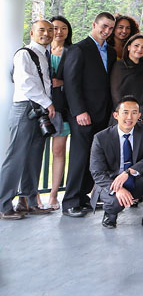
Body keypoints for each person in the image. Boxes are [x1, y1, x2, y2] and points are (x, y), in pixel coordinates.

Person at [62, 11, 116, 217]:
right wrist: (79, 111)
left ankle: (83, 197)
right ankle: (69, 201)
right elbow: (71, 83)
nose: (107, 31)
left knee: (93, 158)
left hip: (102, 114)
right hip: (83, 114)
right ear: (94, 24)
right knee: (79, 156)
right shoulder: (78, 49)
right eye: (103, 26)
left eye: (110, 28)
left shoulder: (110, 52)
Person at [0, 20, 55, 220]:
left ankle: (29, 202)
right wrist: (48, 103)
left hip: (38, 111)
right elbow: (26, 83)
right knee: (16, 157)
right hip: (25, 109)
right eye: (42, 30)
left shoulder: (44, 54)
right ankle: (3, 205)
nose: (47, 33)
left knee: (34, 157)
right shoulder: (24, 53)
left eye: (50, 30)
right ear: (32, 32)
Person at [89, 97, 143, 230]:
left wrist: (128, 172)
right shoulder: (101, 138)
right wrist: (118, 189)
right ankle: (110, 214)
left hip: (135, 178)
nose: (130, 117)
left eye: (134, 112)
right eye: (125, 112)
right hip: (112, 182)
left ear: (139, 115)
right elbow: (97, 172)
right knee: (115, 202)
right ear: (116, 115)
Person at [46, 16, 73, 211]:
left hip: (62, 107)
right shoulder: (40, 52)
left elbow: (78, 79)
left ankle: (54, 193)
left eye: (64, 28)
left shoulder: (72, 52)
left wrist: (63, 83)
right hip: (40, 108)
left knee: (58, 151)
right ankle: (28, 195)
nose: (59, 32)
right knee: (34, 151)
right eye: (55, 28)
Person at [110, 34, 143, 124]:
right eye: (136, 45)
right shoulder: (119, 66)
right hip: (122, 112)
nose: (140, 49)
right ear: (129, 47)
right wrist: (128, 113)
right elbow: (116, 93)